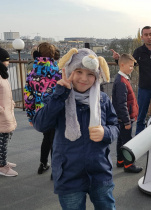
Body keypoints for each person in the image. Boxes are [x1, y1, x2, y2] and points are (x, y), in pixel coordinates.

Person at [32, 48, 119, 209]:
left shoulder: (103, 100)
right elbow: (40, 124)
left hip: (100, 172)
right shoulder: (57, 96)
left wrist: (105, 132)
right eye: (79, 71)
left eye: (90, 74)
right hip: (68, 175)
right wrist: (60, 95)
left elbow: (115, 127)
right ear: (70, 70)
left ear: (97, 76)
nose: (84, 79)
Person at [111, 26, 151, 135]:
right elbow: (129, 65)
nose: (149, 37)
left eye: (150, 34)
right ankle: (138, 142)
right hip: (144, 89)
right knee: (140, 117)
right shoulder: (138, 52)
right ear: (142, 37)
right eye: (146, 35)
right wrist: (117, 59)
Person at [24, 42, 61, 175]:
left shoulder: (31, 73)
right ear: (53, 55)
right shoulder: (58, 72)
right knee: (56, 139)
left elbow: (28, 97)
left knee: (47, 137)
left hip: (40, 112)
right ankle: (56, 170)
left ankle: (43, 163)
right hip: (56, 111)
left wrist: (30, 115)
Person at [112, 54, 143, 173]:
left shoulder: (122, 78)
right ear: (122, 65)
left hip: (122, 117)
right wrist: (126, 121)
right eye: (130, 66)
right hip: (125, 117)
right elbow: (121, 103)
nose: (132, 68)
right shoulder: (121, 82)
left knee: (121, 139)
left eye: (133, 66)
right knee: (127, 141)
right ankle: (129, 164)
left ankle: (120, 160)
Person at [0, 47, 18, 177]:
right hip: (2, 115)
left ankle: (3, 161)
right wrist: (2, 110)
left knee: (5, 140)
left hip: (6, 113)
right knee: (1, 141)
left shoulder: (2, 74)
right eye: (7, 60)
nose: (9, 63)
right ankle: (2, 166)